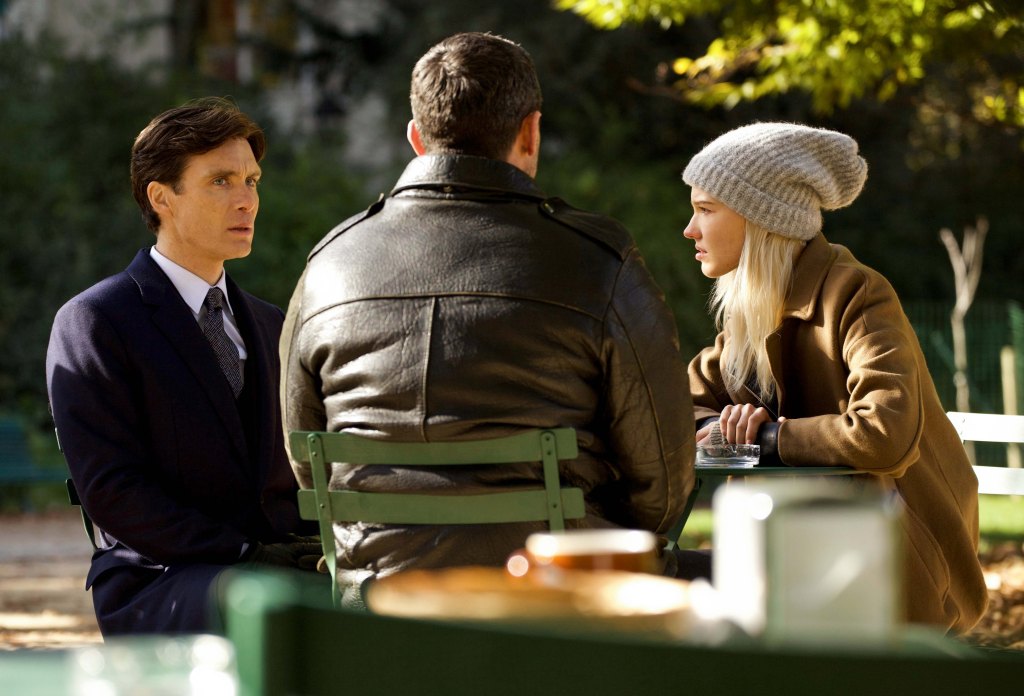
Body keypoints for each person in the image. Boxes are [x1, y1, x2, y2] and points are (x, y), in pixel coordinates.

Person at [280, 32, 697, 601]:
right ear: (531, 132)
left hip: (377, 599)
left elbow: (307, 458)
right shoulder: (598, 262)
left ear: (415, 138)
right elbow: (664, 481)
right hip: (562, 600)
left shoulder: (328, 264)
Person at [681, 121, 988, 633]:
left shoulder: (858, 294)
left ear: (762, 217)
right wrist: (718, 428)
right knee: (655, 580)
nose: (690, 229)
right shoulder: (749, 314)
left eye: (706, 209)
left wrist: (766, 438)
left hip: (897, 571)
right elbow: (672, 403)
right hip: (801, 554)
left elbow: (884, 432)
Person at [46, 97, 320, 635]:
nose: (246, 200)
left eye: (252, 181)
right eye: (221, 181)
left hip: (281, 566)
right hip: (160, 579)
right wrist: (244, 554)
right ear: (161, 197)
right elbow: (114, 491)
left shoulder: (273, 323)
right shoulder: (96, 321)